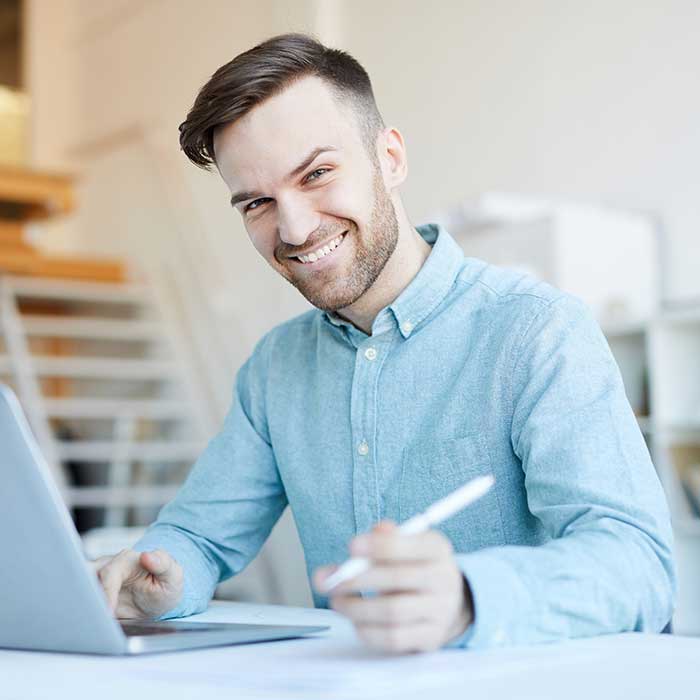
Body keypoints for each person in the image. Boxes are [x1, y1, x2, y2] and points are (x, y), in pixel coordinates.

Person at [93, 33, 675, 653]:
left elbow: (638, 566)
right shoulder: (275, 368)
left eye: (316, 174)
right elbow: (199, 538)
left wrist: (468, 601)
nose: (292, 227)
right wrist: (162, 576)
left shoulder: (537, 330)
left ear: (390, 158)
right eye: (257, 202)